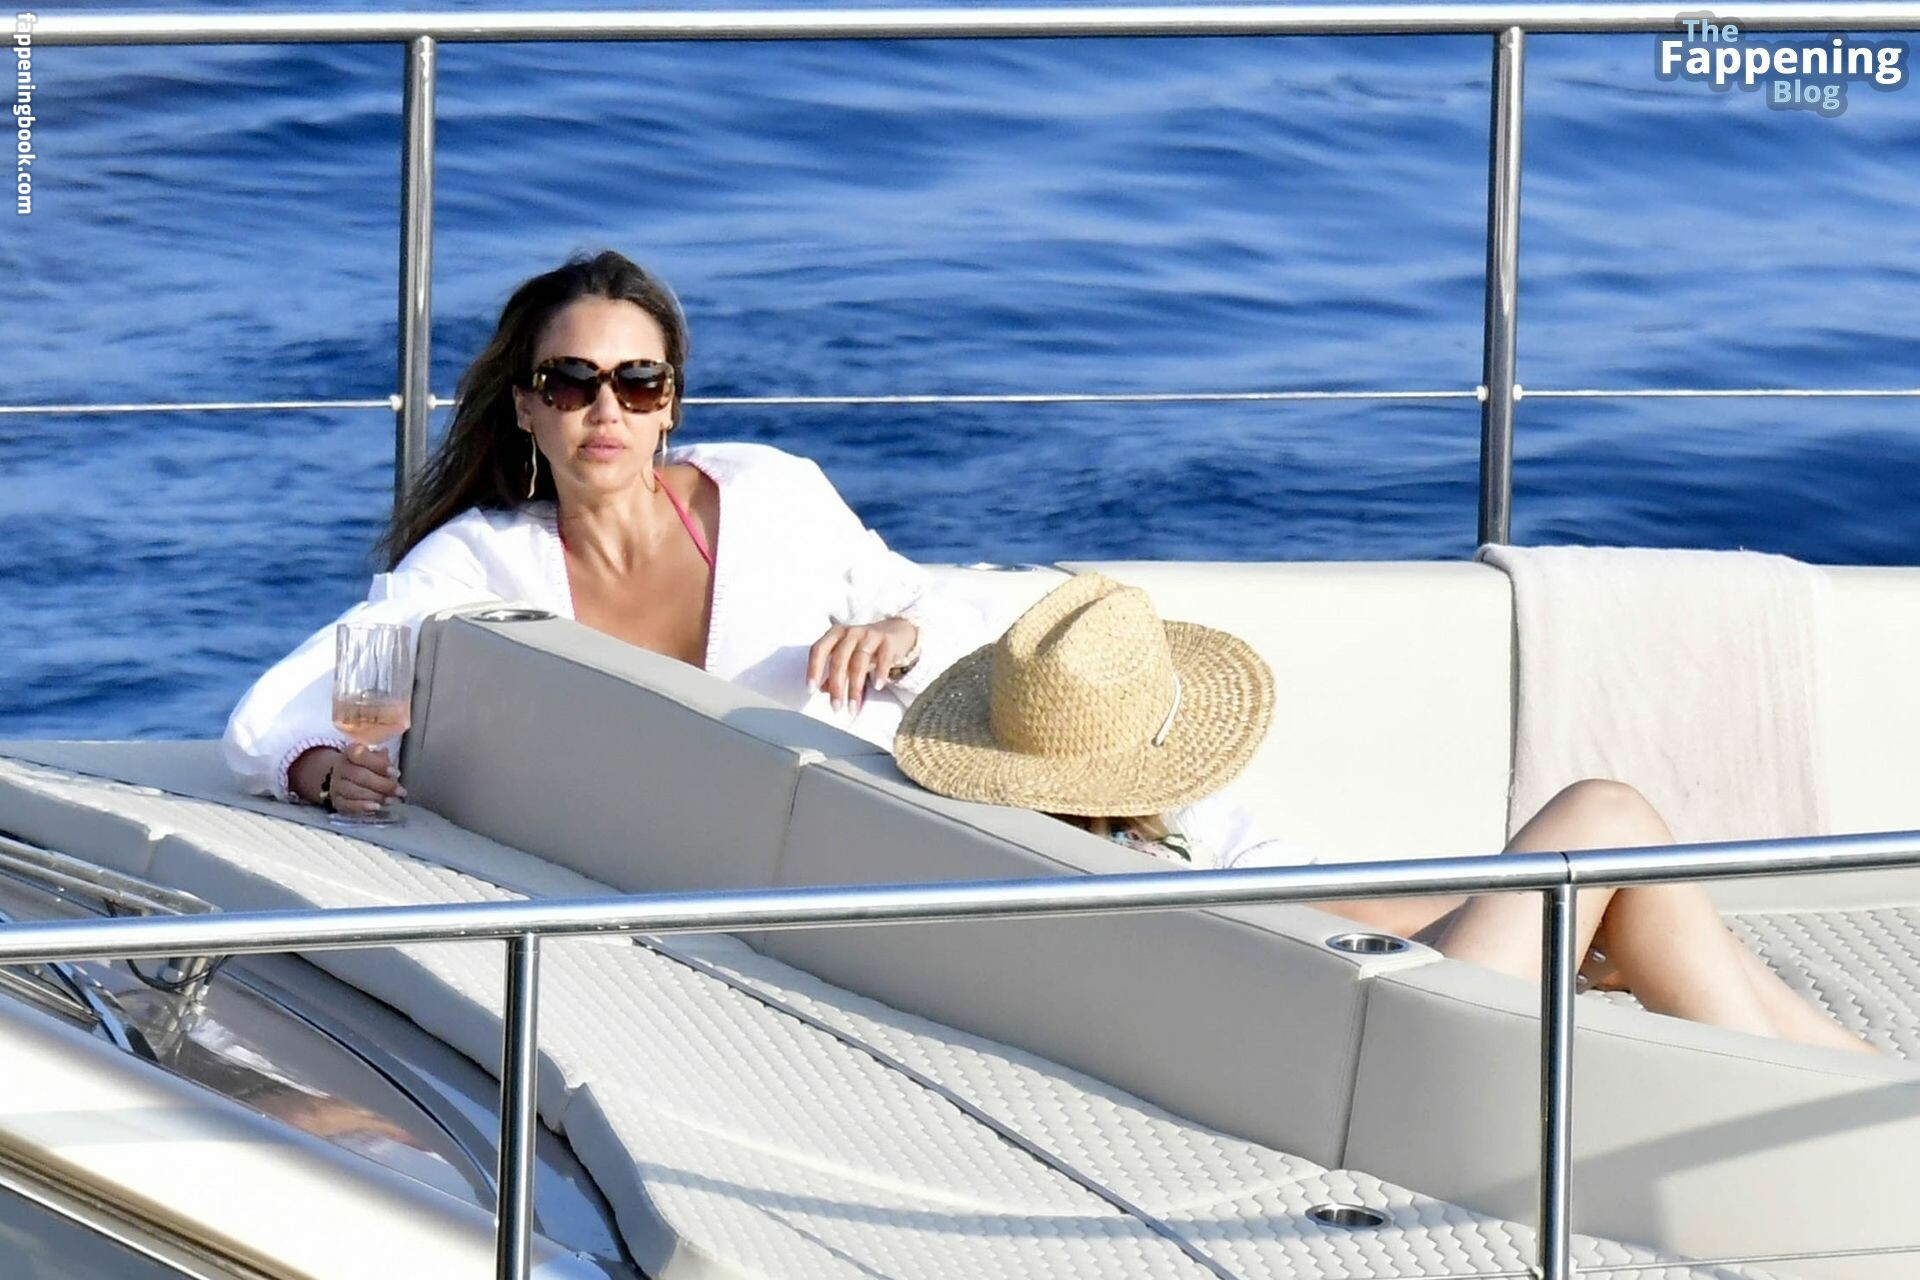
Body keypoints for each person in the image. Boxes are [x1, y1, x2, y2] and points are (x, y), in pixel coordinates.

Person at [893, 572, 1875, 1054]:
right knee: (1604, 815)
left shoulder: (1058, 849)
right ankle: (1811, 1089)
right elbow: (1321, 919)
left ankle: (1857, 1081)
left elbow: (1324, 916)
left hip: (1326, 1015)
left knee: (1615, 879)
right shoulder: (1124, 866)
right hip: (1370, 1042)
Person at [225, 250, 974, 816]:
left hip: (845, 831)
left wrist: (898, 639)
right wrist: (327, 775)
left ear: (669, 404)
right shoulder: (477, 560)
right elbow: (280, 716)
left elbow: (946, 618)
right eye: (572, 382)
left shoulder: (768, 492)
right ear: (526, 407)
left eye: (639, 381)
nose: (607, 409)